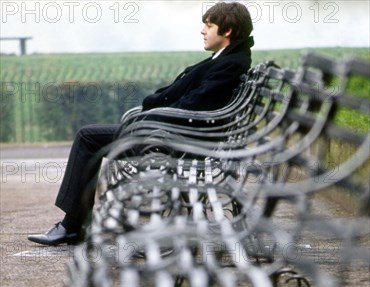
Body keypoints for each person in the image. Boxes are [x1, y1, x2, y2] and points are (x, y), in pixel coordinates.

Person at [28, 2, 254, 245]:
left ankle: (72, 226)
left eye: (209, 26)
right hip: (176, 135)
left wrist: (148, 119)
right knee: (90, 137)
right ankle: (74, 225)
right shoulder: (227, 59)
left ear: (227, 30)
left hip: (175, 140)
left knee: (87, 137)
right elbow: (192, 101)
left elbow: (193, 106)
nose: (202, 31)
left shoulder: (230, 63)